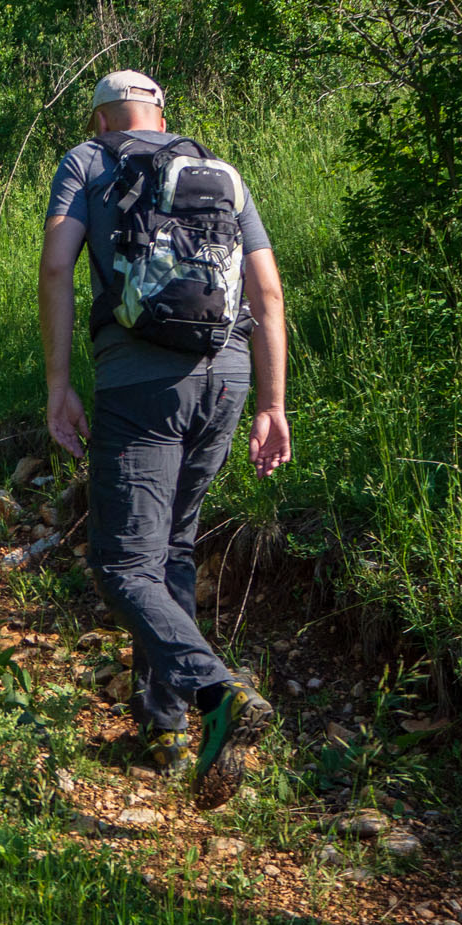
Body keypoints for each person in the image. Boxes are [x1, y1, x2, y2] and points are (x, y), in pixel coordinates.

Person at [38, 70, 291, 807]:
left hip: (142, 384)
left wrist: (59, 385)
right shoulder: (218, 170)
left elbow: (57, 266)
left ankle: (218, 694)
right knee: (171, 550)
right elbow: (268, 292)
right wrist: (273, 403)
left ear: (101, 117)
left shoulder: (89, 160)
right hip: (230, 376)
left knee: (121, 564)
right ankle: (165, 725)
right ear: (159, 112)